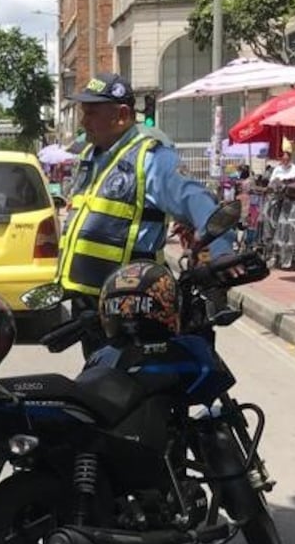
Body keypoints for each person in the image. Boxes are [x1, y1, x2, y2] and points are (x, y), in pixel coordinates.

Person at [59, 73, 229, 357]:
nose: (83, 121)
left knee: (129, 390)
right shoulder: (92, 157)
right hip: (90, 304)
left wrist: (221, 258)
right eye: (82, 112)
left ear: (122, 115)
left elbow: (197, 201)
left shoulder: (150, 158)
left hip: (132, 304)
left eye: (91, 112)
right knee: (97, 387)